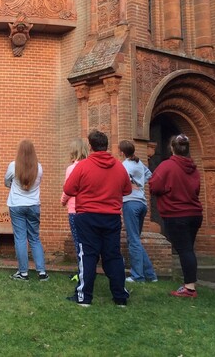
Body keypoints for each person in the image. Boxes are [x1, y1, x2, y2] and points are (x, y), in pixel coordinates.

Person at [63, 130, 131, 307]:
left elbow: (69, 189)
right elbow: (127, 190)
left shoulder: (83, 166)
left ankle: (84, 297)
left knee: (87, 255)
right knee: (113, 256)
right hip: (112, 217)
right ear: (106, 146)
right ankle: (120, 297)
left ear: (90, 146)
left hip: (87, 216)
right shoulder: (118, 166)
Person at [149, 134, 203, 298]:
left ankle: (190, 288)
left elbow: (154, 185)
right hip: (194, 213)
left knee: (184, 250)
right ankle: (189, 284)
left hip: (176, 214)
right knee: (188, 249)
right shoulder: (193, 168)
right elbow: (196, 189)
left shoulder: (167, 166)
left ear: (172, 148)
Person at [5, 139, 49, 281]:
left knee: (20, 238)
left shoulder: (13, 166)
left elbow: (6, 182)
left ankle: (23, 272)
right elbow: (37, 182)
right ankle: (42, 272)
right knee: (34, 238)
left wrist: (13, 184)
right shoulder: (39, 167)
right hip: (33, 205)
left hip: (17, 204)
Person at [119, 140, 158, 283]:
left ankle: (137, 276)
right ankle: (151, 275)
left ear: (122, 152)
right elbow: (149, 175)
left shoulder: (124, 166)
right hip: (142, 203)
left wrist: (131, 186)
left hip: (130, 203)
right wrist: (139, 185)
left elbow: (121, 183)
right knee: (135, 239)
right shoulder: (139, 163)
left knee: (133, 240)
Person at [61, 139, 89, 280]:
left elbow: (68, 189)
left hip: (74, 210)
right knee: (88, 244)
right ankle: (87, 272)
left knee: (79, 244)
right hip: (89, 210)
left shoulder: (71, 169)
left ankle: (82, 274)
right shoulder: (90, 166)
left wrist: (62, 201)